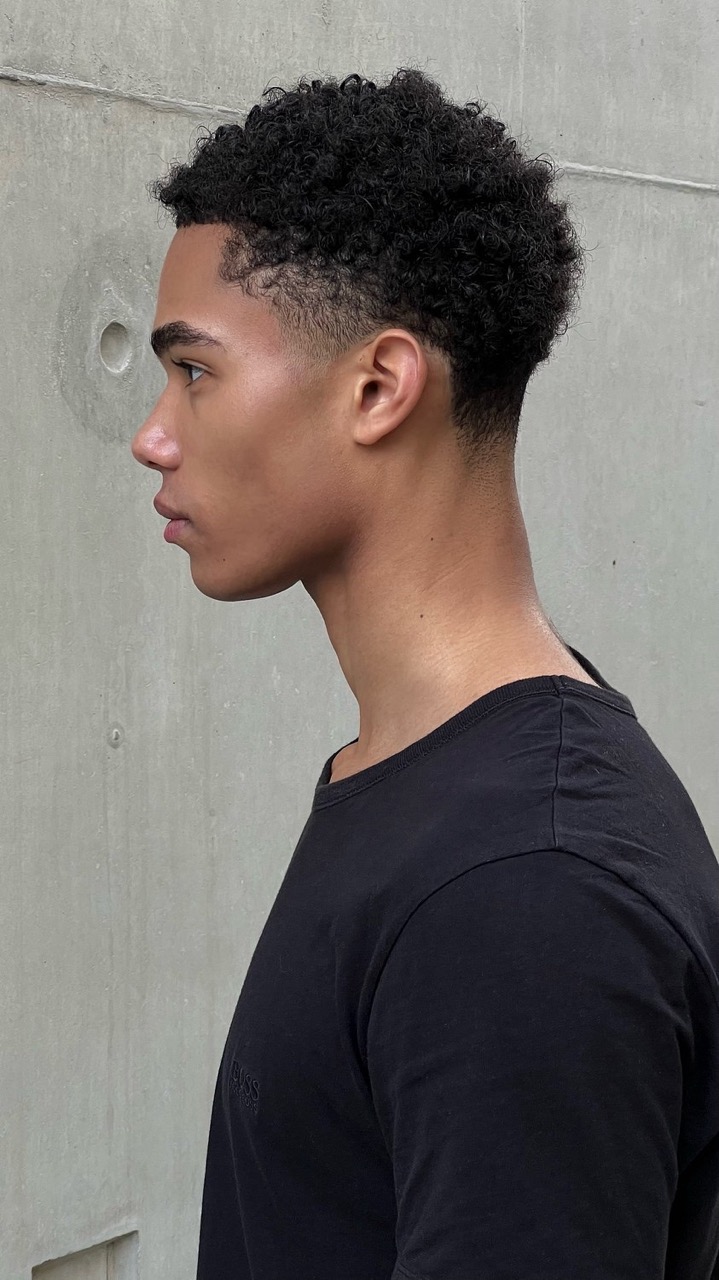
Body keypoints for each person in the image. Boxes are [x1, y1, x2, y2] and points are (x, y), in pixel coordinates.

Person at [131, 69, 719, 1280]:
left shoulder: (525, 892)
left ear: (378, 386)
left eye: (194, 370)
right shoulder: (427, 780)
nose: (155, 433)